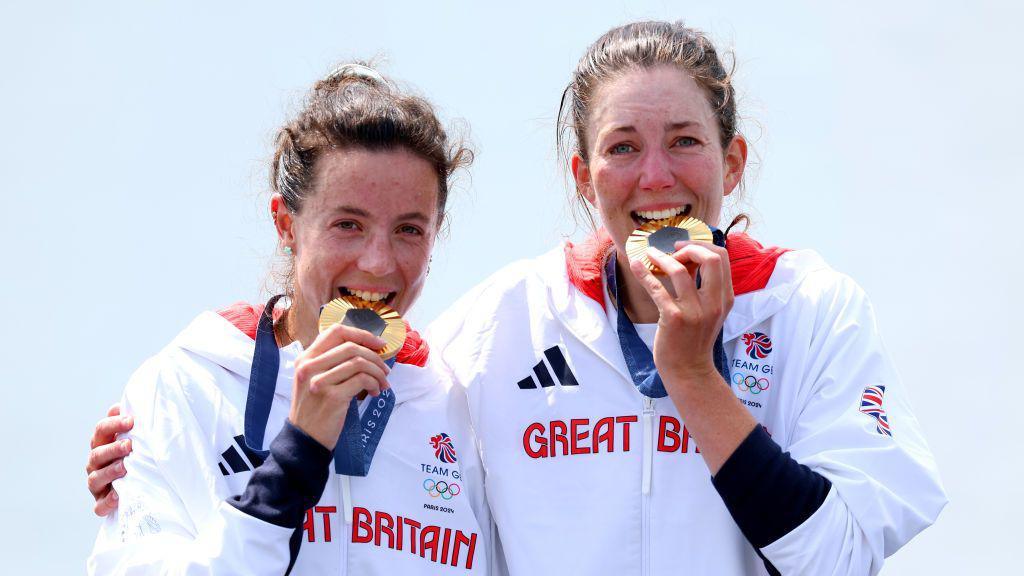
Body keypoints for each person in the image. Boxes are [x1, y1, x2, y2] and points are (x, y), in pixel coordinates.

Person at [88, 21, 946, 575]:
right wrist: (154, 444)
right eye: (622, 147)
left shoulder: (812, 309)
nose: (656, 177)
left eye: (685, 142)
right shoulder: (498, 330)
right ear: (583, 177)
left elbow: (837, 559)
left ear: (732, 163)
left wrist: (695, 380)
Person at [87, 64, 495, 575]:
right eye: (348, 224)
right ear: (286, 224)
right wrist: (296, 452)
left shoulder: (458, 407)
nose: (378, 261)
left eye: (409, 230)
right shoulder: (186, 389)